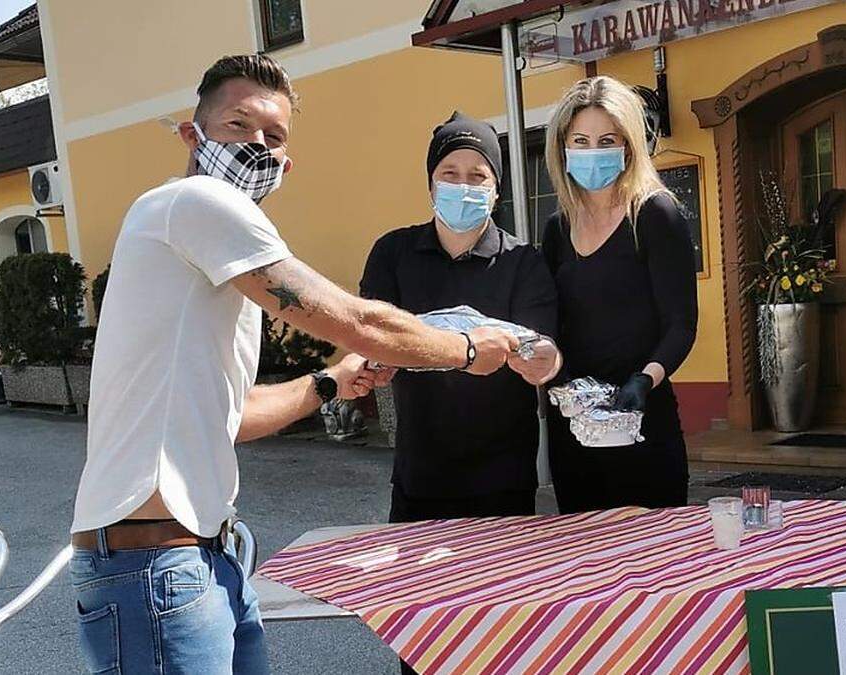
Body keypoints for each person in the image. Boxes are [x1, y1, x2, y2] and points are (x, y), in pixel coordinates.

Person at [68, 54, 518, 675]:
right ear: (190, 135)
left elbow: (235, 414)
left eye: (273, 136)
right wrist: (467, 351)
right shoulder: (195, 202)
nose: (256, 146)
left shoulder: (214, 258)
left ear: (287, 161)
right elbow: (357, 320)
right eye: (237, 125)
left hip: (204, 557)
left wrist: (329, 381)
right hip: (151, 563)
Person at [359, 111, 561, 524]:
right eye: (449, 173)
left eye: (477, 175)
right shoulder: (393, 254)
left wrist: (545, 359)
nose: (463, 185)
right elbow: (373, 337)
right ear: (431, 185)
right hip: (420, 476)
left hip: (503, 479)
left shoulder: (523, 261)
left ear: (497, 190)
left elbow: (545, 344)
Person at [540, 76, 698, 514]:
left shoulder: (655, 215)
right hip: (574, 430)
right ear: (564, 148)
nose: (594, 151)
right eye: (582, 140)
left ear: (628, 146)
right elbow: (550, 321)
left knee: (655, 563)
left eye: (607, 139)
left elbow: (681, 325)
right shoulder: (557, 228)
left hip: (641, 420)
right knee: (585, 562)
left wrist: (644, 380)